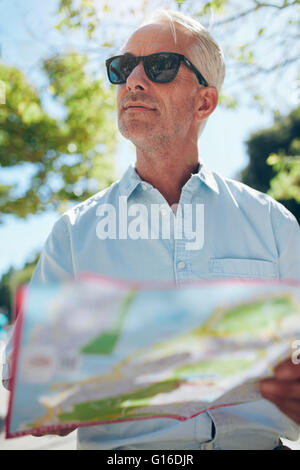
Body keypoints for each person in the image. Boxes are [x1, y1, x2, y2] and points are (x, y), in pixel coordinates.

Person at [3, 9, 300, 450]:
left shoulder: (273, 225)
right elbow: (39, 396)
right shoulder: (74, 235)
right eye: (123, 68)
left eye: (160, 66)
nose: (134, 81)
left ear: (205, 102)